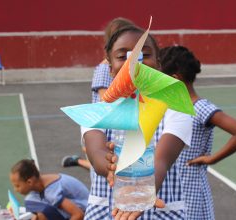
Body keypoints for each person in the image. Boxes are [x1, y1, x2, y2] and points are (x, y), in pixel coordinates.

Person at [83, 25, 193, 220]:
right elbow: (96, 151)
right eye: (121, 56)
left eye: (144, 54)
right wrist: (109, 167)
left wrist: (145, 189)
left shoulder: (175, 106)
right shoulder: (98, 110)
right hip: (106, 212)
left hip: (161, 211)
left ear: (159, 64)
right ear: (109, 68)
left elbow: (162, 159)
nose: (133, 61)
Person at [159, 45, 236, 219]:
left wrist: (212, 158)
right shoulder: (174, 108)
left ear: (175, 79)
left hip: (192, 190)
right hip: (175, 189)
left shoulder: (200, 107)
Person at [62, 17, 135, 171]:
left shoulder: (127, 67)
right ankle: (81, 162)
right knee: (105, 162)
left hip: (119, 125)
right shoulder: (104, 68)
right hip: (107, 127)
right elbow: (106, 100)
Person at [10, 159, 89, 220]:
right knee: (32, 202)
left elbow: (78, 215)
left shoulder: (52, 192)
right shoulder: (39, 183)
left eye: (17, 186)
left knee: (42, 213)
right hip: (73, 206)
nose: (15, 189)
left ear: (29, 182)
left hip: (86, 212)